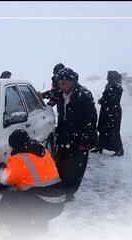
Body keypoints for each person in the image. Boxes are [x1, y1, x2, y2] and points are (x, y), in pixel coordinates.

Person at [0, 129, 65, 238]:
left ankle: (21, 235)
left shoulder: (20, 158)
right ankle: (40, 227)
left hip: (47, 205)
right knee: (35, 192)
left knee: (6, 201)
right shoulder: (40, 150)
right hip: (59, 202)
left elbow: (4, 181)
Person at [54, 67, 99, 201]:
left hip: (79, 140)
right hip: (64, 137)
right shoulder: (61, 93)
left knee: (73, 170)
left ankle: (69, 194)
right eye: (59, 82)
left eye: (64, 82)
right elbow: (52, 95)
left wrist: (85, 141)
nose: (61, 85)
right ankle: (62, 190)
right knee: (61, 166)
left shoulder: (84, 95)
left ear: (72, 81)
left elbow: (91, 119)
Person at [91, 71, 124, 156]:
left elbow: (113, 99)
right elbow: (106, 97)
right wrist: (102, 100)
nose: (107, 79)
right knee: (103, 129)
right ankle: (100, 145)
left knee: (113, 131)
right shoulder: (110, 86)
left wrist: (103, 101)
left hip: (113, 111)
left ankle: (119, 149)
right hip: (107, 111)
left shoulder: (117, 87)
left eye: (109, 77)